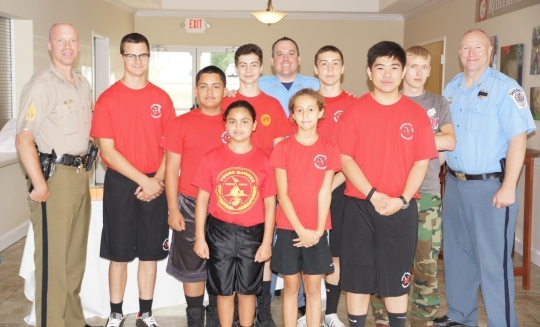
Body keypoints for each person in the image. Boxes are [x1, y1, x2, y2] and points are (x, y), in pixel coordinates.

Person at [434, 29, 536, 327]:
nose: (471, 53)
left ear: (490, 51)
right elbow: (444, 139)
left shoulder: (506, 88)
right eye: (466, 47)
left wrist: (508, 186)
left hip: (490, 188)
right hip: (453, 184)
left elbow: (518, 139)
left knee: (494, 264)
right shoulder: (451, 88)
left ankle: (502, 322)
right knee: (457, 256)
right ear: (459, 52)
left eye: (478, 47)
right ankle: (460, 316)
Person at [336, 41, 437, 327]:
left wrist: (403, 199)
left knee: (397, 277)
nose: (387, 74)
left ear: (403, 71)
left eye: (394, 67)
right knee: (357, 278)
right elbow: (346, 159)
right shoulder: (354, 112)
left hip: (401, 208)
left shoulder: (416, 115)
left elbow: (421, 162)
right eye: (380, 67)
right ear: (369, 72)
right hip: (359, 206)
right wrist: (371, 194)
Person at [90, 32, 176, 327]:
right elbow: (108, 151)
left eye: (143, 55)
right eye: (131, 55)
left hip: (156, 181)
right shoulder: (108, 99)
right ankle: (116, 314)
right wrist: (146, 181)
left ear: (149, 57)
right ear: (122, 57)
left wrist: (159, 180)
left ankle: (146, 313)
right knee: (120, 253)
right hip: (122, 184)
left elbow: (171, 147)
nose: (137, 61)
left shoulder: (161, 98)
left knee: (150, 253)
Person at [15, 22, 96, 327]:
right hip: (54, 179)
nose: (66, 46)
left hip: (79, 176)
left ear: (78, 45)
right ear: (49, 45)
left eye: (72, 40)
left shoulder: (81, 83)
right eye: (59, 40)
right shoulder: (42, 84)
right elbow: (24, 137)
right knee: (53, 264)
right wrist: (40, 185)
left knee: (74, 260)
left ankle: (73, 321)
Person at [370, 45, 456, 327]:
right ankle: (383, 318)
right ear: (403, 69)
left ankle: (424, 320)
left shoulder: (438, 103)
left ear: (430, 71)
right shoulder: (387, 100)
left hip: (427, 192)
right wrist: (426, 140)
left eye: (424, 67)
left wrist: (408, 140)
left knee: (426, 264)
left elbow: (450, 141)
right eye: (413, 66)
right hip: (388, 191)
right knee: (386, 260)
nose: (418, 72)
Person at [221, 43, 292, 327]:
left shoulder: (272, 105)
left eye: (254, 65)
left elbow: (279, 150)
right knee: (229, 254)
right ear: (236, 68)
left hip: (262, 191)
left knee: (261, 251)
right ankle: (232, 312)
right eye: (243, 65)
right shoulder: (225, 103)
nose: (248, 70)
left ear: (262, 68)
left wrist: (273, 189)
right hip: (230, 193)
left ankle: (261, 309)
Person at [193, 100, 276, 327]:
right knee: (224, 291)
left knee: (248, 292)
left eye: (244, 121)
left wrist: (266, 242)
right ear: (225, 126)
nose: (238, 127)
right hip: (220, 232)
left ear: (254, 125)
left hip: (253, 235)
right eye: (232, 121)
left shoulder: (266, 160)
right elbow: (202, 200)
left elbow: (270, 204)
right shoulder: (211, 157)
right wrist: (200, 237)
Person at [161, 65, 228, 327]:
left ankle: (215, 320)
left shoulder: (234, 121)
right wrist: (173, 209)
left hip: (226, 207)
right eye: (204, 86)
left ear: (224, 89)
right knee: (192, 267)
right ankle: (194, 319)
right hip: (188, 203)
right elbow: (171, 170)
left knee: (221, 266)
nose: (209, 92)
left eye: (215, 86)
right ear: (195, 90)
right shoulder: (180, 124)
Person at [269, 88, 341, 327]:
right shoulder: (283, 149)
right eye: (299, 110)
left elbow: (325, 191)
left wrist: (319, 230)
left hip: (317, 229)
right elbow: (283, 194)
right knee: (290, 287)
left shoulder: (329, 149)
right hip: (290, 228)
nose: (305, 115)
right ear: (292, 115)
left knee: (312, 288)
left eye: (311, 109)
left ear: (321, 112)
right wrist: (300, 229)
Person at [312, 45, 355, 327]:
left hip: (340, 187)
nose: (329, 68)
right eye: (323, 63)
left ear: (342, 68)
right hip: (307, 188)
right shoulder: (304, 101)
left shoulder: (355, 105)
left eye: (334, 63)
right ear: (315, 69)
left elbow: (357, 154)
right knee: (310, 250)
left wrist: (331, 185)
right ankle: (310, 313)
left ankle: (330, 314)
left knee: (336, 252)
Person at [258, 37, 320, 115]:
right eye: (280, 54)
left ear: (299, 59)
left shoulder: (316, 86)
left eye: (291, 53)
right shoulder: (258, 85)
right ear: (272, 61)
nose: (285, 58)